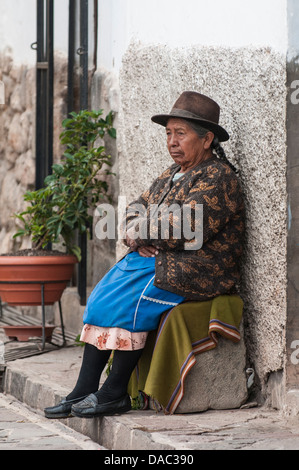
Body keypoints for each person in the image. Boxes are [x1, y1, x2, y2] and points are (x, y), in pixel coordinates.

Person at [44, 91, 245, 419]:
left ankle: (114, 392)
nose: (172, 141)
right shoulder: (171, 174)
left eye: (181, 133)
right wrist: (137, 230)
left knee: (128, 303)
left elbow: (186, 226)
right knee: (100, 299)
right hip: (164, 260)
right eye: (168, 133)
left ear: (207, 139)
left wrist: (141, 232)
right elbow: (136, 209)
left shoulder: (219, 178)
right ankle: (84, 388)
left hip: (203, 269)